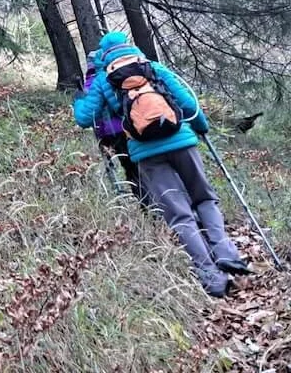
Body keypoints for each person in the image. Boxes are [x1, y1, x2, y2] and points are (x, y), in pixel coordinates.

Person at [74, 31, 250, 297]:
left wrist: (78, 101)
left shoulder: (102, 80)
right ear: (128, 47)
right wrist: (202, 127)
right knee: (204, 199)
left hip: (145, 152)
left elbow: (85, 118)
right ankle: (226, 252)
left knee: (179, 215)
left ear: (102, 55)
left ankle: (212, 278)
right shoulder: (153, 68)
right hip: (182, 142)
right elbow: (189, 105)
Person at [84, 50, 148, 205]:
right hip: (129, 129)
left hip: (109, 134)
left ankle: (146, 206)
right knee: (140, 167)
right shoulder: (118, 75)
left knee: (130, 170)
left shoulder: (92, 82)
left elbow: (88, 113)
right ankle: (153, 203)